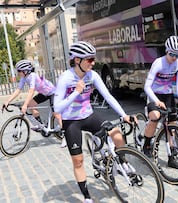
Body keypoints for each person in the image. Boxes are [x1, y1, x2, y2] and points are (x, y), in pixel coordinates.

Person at [53, 41, 132, 203]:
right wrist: (76, 92)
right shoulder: (66, 78)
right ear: (77, 60)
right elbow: (57, 107)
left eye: (93, 59)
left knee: (117, 135)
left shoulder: (92, 75)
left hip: (89, 116)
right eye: (89, 60)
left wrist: (124, 115)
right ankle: (87, 197)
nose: (93, 63)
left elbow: (108, 97)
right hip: (71, 121)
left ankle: (123, 163)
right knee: (78, 161)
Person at [142, 35, 178, 169]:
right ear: (166, 51)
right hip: (154, 94)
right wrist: (156, 101)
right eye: (171, 53)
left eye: (177, 54)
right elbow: (147, 86)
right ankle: (146, 144)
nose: (174, 57)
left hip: (167, 95)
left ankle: (171, 157)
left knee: (171, 125)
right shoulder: (158, 63)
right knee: (155, 117)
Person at [2, 59, 66, 148]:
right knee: (31, 105)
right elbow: (18, 90)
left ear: (25, 71)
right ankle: (41, 125)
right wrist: (8, 101)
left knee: (56, 114)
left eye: (19, 71)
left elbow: (31, 91)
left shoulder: (32, 76)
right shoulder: (24, 78)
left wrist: (24, 104)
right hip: (43, 93)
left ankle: (65, 137)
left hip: (52, 93)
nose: (18, 73)